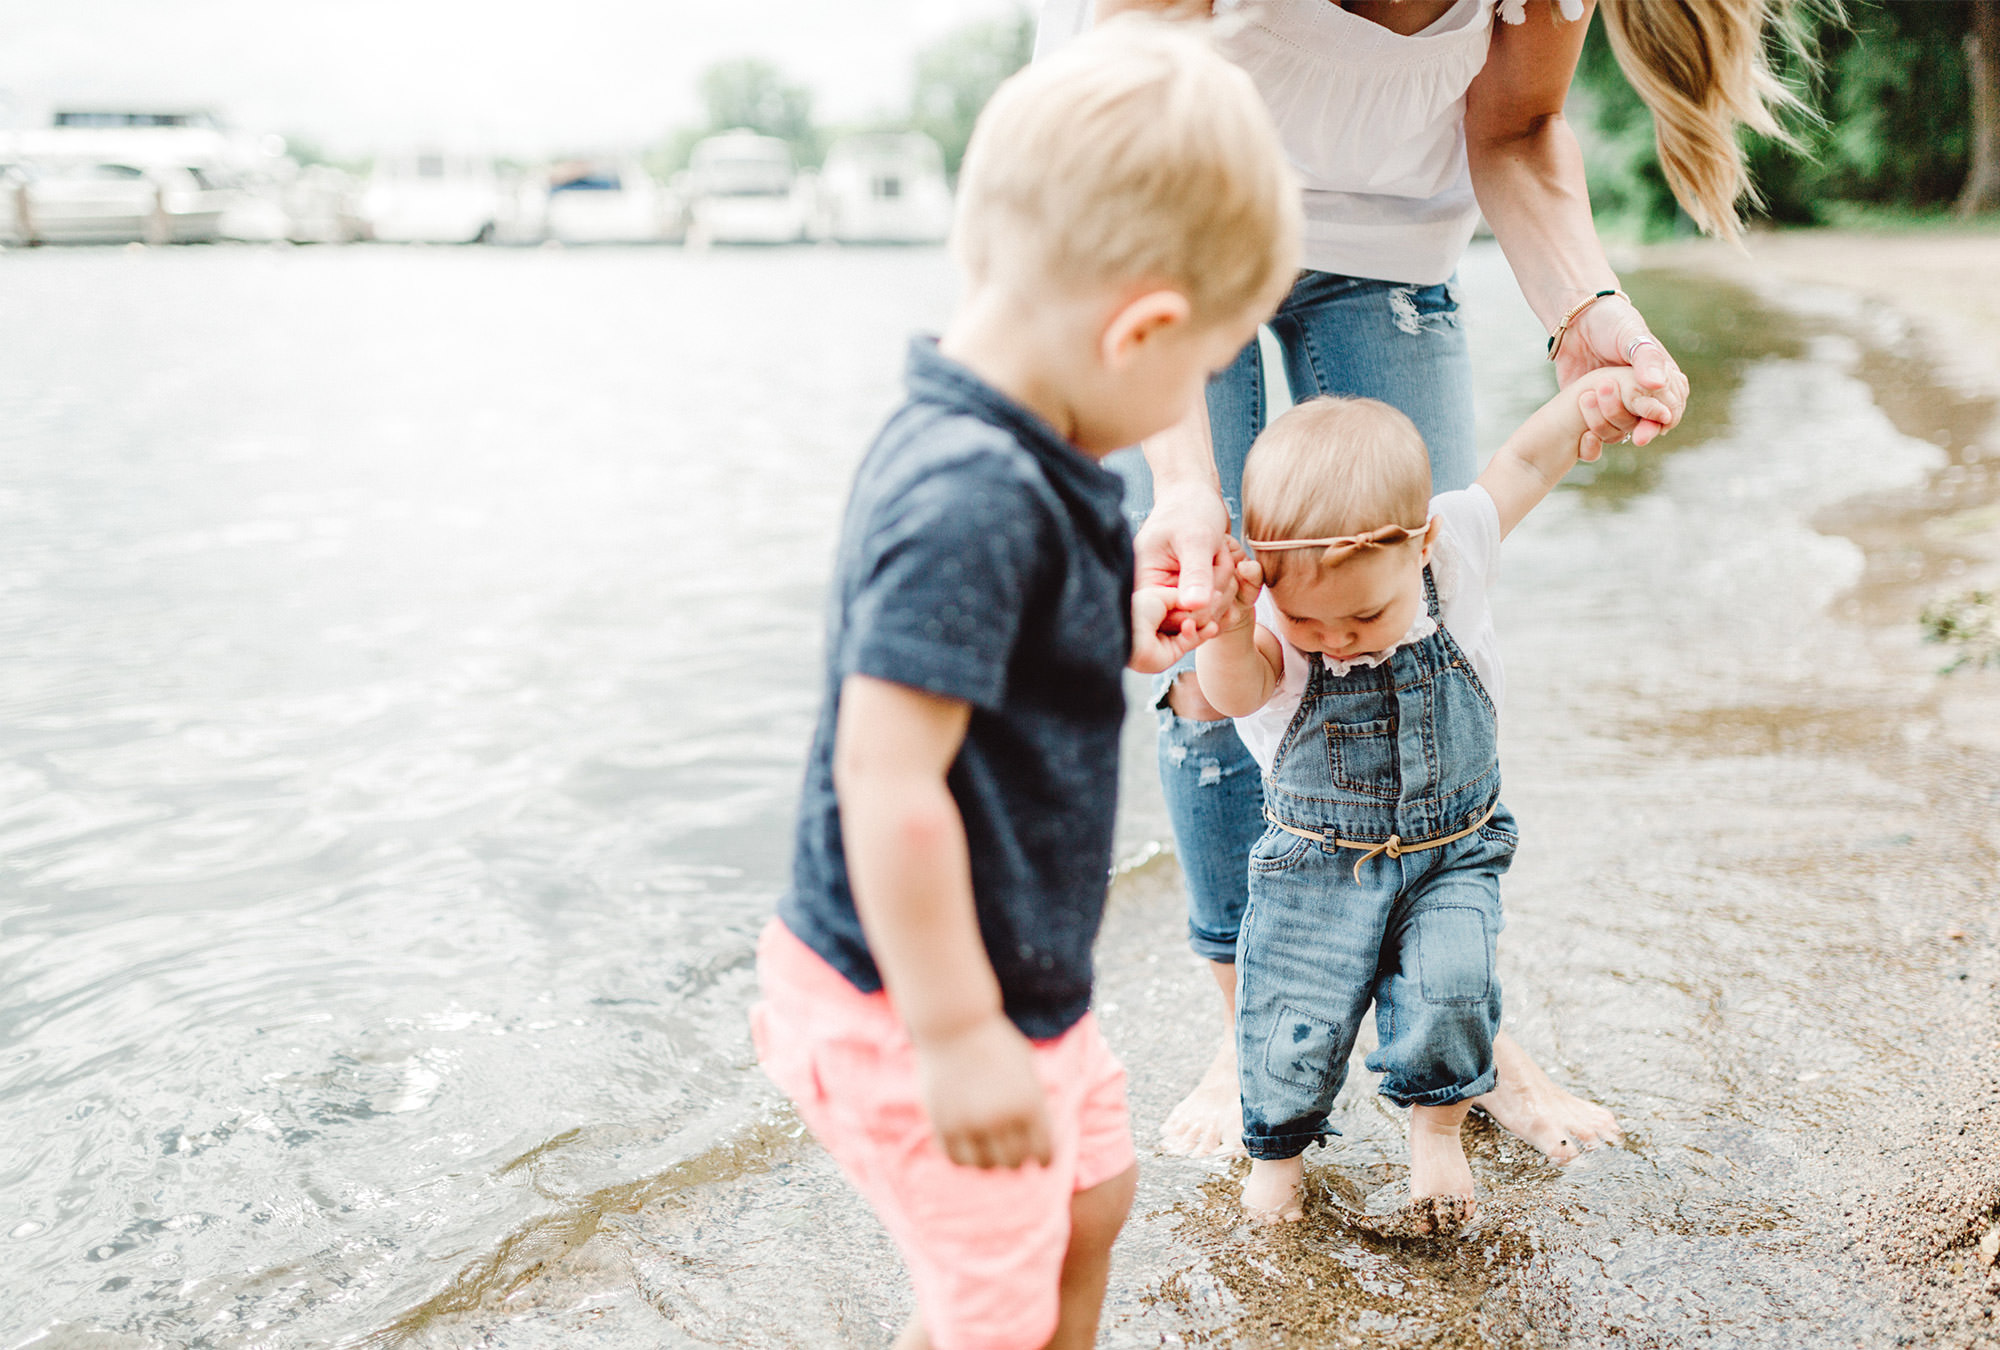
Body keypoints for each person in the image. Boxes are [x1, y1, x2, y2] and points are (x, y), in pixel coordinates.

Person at [1035, 0, 1802, 1160]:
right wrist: (1185, 483)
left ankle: (1460, 1018)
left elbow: (1515, 126)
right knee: (1221, 622)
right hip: (1164, 224)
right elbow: (1129, 162)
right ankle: (1254, 1022)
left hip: (1389, 248)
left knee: (1424, 607)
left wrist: (1583, 310)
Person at [749, 21, 1302, 1350]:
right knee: (989, 1300)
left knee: (1091, 1196)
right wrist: (954, 1035)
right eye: (1203, 369)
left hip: (1012, 972)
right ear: (1143, 328)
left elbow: (1000, 650)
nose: (1193, 403)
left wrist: (1116, 628)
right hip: (911, 994)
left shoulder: (1029, 445)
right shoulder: (965, 491)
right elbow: (884, 775)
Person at [1194, 367, 1669, 1232]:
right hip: (1316, 864)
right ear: (1267, 577)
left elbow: (1526, 461)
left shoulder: (1457, 550)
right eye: (1310, 625)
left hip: (1456, 848)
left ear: (1422, 545)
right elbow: (1231, 697)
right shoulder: (1271, 616)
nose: (1335, 639)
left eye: (1364, 619)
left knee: (1453, 991)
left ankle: (1437, 1133)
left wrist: (1590, 402)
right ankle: (1277, 1157)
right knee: (1290, 1017)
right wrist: (1233, 624)